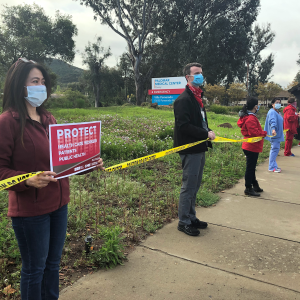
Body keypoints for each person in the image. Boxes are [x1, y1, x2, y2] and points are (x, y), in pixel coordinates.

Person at [0, 58, 105, 300]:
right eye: (34, 81)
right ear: (19, 86)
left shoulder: (49, 119)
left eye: (43, 82)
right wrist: (27, 181)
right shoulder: (7, 122)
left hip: (59, 204)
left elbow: (64, 160)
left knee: (53, 264)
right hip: (30, 211)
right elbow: (1, 170)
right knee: (34, 270)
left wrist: (89, 163)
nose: (41, 86)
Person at [173, 62, 215, 236]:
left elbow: (201, 121)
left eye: (201, 73)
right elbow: (183, 126)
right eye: (196, 73)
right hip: (190, 149)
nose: (200, 76)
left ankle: (191, 217)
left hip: (199, 147)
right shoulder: (183, 100)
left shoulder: (198, 98)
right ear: (187, 77)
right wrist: (205, 134)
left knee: (195, 185)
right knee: (188, 186)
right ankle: (183, 221)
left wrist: (208, 131)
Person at [237, 97, 267, 197]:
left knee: (252, 167)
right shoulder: (251, 118)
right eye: (257, 105)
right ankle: (248, 188)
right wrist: (264, 133)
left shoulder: (247, 117)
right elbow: (254, 132)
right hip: (251, 147)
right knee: (250, 168)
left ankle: (255, 185)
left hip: (249, 146)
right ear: (255, 106)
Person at [264, 98, 284, 172]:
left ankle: (274, 165)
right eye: (276, 102)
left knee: (275, 150)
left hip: (277, 134)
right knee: (274, 150)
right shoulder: (272, 112)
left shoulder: (277, 112)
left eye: (279, 102)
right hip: (274, 134)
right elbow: (272, 121)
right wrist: (273, 129)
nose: (278, 104)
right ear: (272, 104)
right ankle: (271, 167)